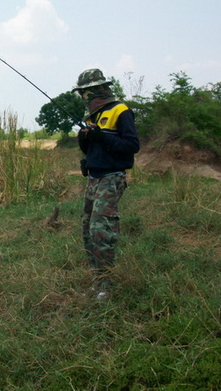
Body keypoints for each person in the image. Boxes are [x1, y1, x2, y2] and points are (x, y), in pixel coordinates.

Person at [73, 68, 140, 300]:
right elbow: (92, 149)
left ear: (94, 91)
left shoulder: (120, 111)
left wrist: (101, 136)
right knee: (87, 231)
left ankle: (108, 285)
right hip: (93, 178)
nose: (84, 98)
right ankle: (98, 280)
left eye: (84, 93)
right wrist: (85, 138)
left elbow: (131, 146)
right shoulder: (92, 117)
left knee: (100, 230)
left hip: (111, 178)